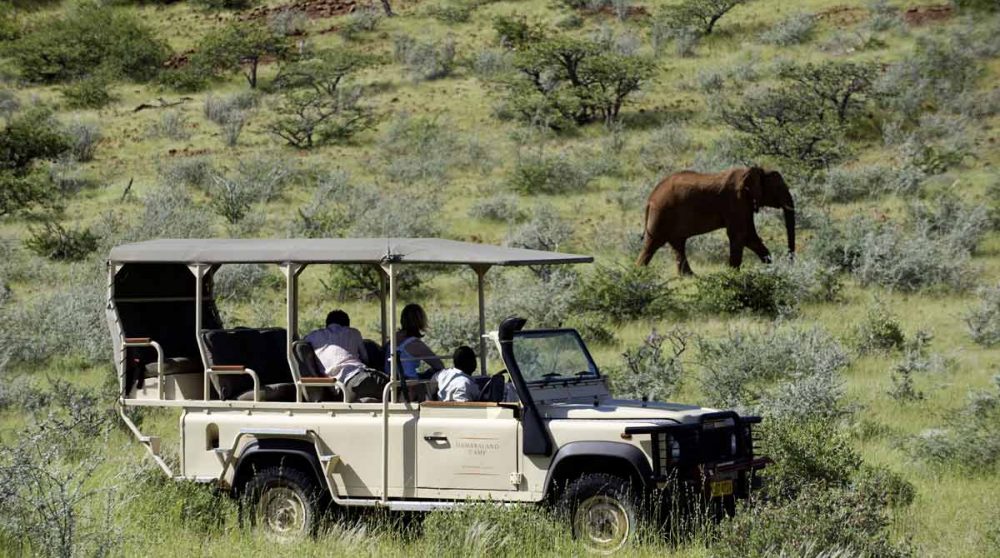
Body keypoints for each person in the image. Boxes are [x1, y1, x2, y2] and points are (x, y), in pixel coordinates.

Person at [304, 309, 386, 401]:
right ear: (347, 325)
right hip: (361, 377)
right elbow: (365, 359)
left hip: (344, 383)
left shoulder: (313, 336)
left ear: (327, 324)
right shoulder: (353, 332)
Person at [389, 303, 444, 379]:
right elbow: (438, 365)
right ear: (420, 320)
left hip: (392, 378)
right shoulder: (414, 343)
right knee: (439, 373)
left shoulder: (394, 337)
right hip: (408, 383)